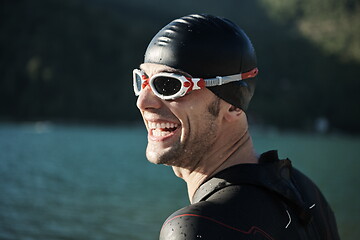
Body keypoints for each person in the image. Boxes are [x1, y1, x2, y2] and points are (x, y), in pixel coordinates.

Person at [133, 14, 340, 240]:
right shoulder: (304, 192)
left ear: (233, 105)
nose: (143, 101)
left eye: (169, 85)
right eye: (143, 81)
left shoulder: (197, 229)